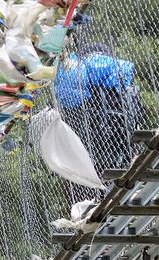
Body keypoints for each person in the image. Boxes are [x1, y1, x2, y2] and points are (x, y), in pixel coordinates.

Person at [54, 42, 141, 199]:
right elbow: (137, 114)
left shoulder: (77, 78)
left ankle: (87, 201)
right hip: (122, 142)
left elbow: (68, 113)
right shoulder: (122, 80)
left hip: (89, 143)